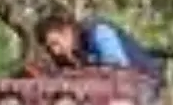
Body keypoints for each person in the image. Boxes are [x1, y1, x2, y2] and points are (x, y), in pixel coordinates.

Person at [33, 9, 163, 80]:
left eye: (56, 43)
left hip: (146, 83)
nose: (55, 51)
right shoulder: (70, 54)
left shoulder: (99, 32)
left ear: (67, 32)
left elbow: (117, 67)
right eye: (50, 48)